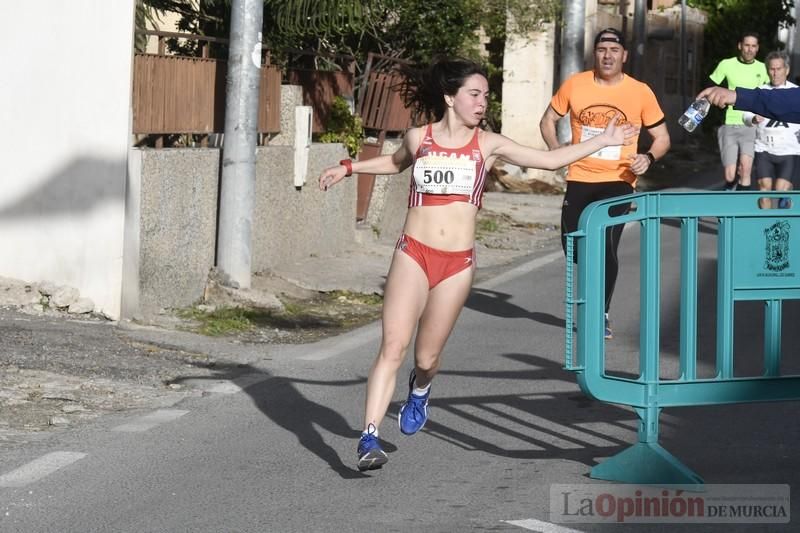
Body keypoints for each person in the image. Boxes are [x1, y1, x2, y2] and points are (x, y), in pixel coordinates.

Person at [318, 57, 637, 472]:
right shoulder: (420, 138)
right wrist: (349, 166)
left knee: (426, 358)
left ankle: (421, 390)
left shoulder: (488, 145)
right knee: (392, 346)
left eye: (486, 96)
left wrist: (601, 141)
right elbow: (395, 163)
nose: (482, 102)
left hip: (457, 263)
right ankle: (369, 436)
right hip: (412, 252)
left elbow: (550, 162)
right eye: (474, 94)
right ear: (451, 98)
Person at [539, 27, 670, 340]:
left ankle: (600, 312)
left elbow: (662, 137)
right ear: (594, 54)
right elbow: (546, 121)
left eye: (614, 50)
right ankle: (591, 297)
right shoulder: (575, 85)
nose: (608, 55)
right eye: (601, 49)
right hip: (580, 177)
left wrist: (648, 158)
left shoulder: (640, 92)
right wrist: (557, 152)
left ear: (624, 56)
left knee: (607, 244)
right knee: (574, 247)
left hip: (619, 180)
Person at [708, 31, 768, 191]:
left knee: (746, 169)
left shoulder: (763, 68)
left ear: (757, 48)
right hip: (729, 124)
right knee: (729, 175)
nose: (750, 49)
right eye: (747, 45)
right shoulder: (726, 64)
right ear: (740, 46)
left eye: (753, 46)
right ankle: (730, 188)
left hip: (751, 126)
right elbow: (711, 88)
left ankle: (741, 211)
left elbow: (770, 95)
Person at [741, 51, 800, 208]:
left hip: (789, 150)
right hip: (764, 148)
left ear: (786, 70)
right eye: (772, 69)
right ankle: (765, 228)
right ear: (767, 70)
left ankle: (784, 206)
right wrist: (753, 119)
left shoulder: (796, 92)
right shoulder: (760, 91)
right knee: (764, 189)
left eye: (779, 69)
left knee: (781, 190)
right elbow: (745, 116)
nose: (775, 73)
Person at [699, 84, 800, 123]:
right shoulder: (763, 87)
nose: (775, 73)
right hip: (760, 145)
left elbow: (790, 102)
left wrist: (738, 96)